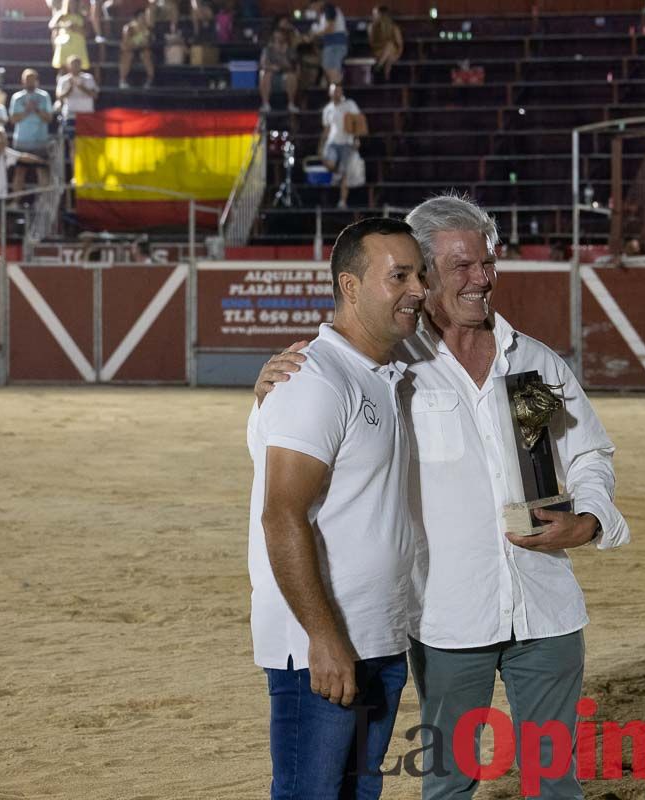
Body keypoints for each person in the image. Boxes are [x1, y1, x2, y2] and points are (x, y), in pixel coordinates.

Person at [255, 194, 630, 799]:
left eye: (487, 264)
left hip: (548, 609)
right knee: (449, 783)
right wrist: (268, 389)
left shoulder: (531, 364)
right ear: (425, 276)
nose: (481, 279)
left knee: (554, 780)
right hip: (449, 620)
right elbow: (308, 432)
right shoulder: (390, 369)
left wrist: (588, 519)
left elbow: (587, 455)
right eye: (462, 267)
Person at [247, 217, 426, 799]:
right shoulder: (317, 378)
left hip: (376, 637)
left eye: (420, 275)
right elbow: (282, 515)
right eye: (399, 276)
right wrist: (322, 638)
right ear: (350, 288)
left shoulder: (380, 373)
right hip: (322, 650)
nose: (418, 290)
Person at [0, 124, 44, 245]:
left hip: (0, 194)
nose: (0, 140)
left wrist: (41, 160)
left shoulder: (6, 152)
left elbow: (23, 156)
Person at [9, 69, 53, 191]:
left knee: (42, 171)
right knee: (19, 172)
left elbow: (49, 118)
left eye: (32, 80)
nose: (30, 83)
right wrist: (27, 110)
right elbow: (13, 119)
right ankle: (16, 202)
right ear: (23, 82)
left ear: (37, 81)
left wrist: (37, 110)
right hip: (21, 141)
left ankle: (44, 203)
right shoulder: (17, 98)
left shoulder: (44, 97)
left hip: (40, 141)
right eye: (27, 80)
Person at [319, 82, 359, 209]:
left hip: (347, 142)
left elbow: (357, 121)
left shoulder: (349, 105)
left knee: (345, 173)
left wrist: (357, 138)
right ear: (330, 92)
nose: (337, 93)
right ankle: (336, 173)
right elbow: (326, 128)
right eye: (334, 90)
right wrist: (321, 143)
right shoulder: (327, 109)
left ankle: (342, 201)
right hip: (332, 142)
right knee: (328, 162)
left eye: (339, 90)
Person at [259, 26, 299, 113]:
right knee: (265, 75)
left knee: (291, 76)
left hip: (286, 72)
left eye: (280, 36)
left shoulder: (290, 49)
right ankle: (265, 104)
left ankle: (291, 104)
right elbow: (263, 64)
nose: (278, 38)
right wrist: (272, 67)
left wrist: (282, 53)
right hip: (271, 71)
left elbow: (292, 65)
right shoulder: (268, 49)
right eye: (276, 36)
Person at [307, 1, 347, 86]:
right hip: (330, 45)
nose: (314, 9)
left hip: (335, 44)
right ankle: (335, 94)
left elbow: (330, 28)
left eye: (314, 6)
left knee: (333, 71)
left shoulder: (329, 9)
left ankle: (338, 96)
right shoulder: (322, 15)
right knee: (329, 70)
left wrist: (314, 35)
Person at [50, 0, 91, 72]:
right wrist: (65, 25)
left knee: (78, 69)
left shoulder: (83, 16)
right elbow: (51, 26)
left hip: (78, 45)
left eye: (75, 2)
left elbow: (87, 32)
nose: (73, 4)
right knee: (63, 69)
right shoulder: (61, 15)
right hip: (65, 46)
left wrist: (77, 29)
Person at [119, 7, 154, 88]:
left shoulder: (147, 29)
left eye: (144, 17)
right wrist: (136, 43)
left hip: (143, 50)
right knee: (127, 55)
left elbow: (147, 43)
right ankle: (122, 80)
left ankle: (150, 80)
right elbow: (126, 44)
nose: (143, 19)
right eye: (141, 17)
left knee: (146, 55)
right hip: (130, 50)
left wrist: (139, 44)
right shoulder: (128, 28)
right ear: (136, 18)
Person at [56, 54, 98, 123]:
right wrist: (70, 88)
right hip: (70, 116)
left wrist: (82, 87)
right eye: (73, 64)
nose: (75, 67)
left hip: (86, 114)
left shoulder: (88, 78)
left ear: (80, 65)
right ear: (68, 66)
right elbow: (59, 97)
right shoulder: (63, 80)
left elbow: (95, 95)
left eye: (77, 64)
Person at [368, 6, 402, 82]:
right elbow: (372, 44)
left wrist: (397, 55)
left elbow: (400, 44)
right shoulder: (373, 27)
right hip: (379, 51)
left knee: (390, 47)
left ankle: (379, 68)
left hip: (391, 52)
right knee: (390, 47)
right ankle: (387, 77)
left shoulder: (394, 27)